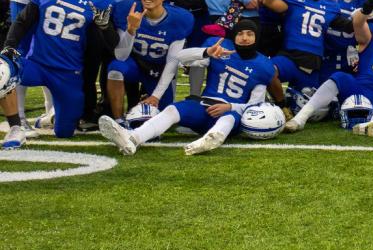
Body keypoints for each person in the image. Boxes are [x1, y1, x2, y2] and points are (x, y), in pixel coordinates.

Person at [98, 19, 278, 156]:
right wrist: (206, 52)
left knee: (229, 118)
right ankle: (132, 138)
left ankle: (210, 139)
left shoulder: (263, 65)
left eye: (249, 34)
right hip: (205, 107)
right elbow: (180, 57)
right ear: (234, 36)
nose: (245, 38)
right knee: (172, 109)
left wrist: (230, 106)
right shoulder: (220, 49)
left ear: (256, 37)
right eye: (240, 34)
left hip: (232, 115)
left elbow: (254, 106)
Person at [1, 0, 116, 147]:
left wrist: (105, 28)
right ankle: (15, 127)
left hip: (68, 72)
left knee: (64, 132)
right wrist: (9, 47)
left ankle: (52, 117)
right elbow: (23, 20)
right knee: (3, 72)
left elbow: (112, 43)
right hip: (37, 64)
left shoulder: (100, 1)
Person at [283, 1, 373, 134]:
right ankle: (300, 118)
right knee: (340, 77)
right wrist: (367, 7)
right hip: (358, 87)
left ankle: (368, 126)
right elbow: (358, 22)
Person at [106, 0, 194, 122]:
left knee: (163, 114)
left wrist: (155, 96)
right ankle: (119, 121)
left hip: (158, 69)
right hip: (134, 64)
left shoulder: (179, 19)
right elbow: (121, 56)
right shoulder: (128, 10)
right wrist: (131, 29)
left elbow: (172, 63)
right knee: (115, 68)